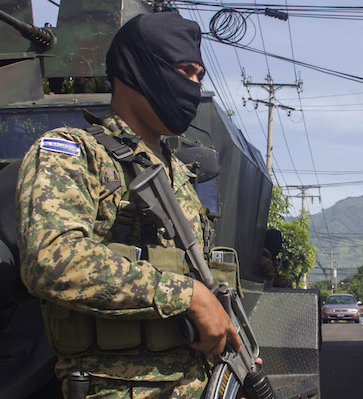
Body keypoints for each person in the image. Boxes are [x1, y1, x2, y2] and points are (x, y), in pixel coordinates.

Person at [16, 11, 245, 398]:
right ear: (137, 68)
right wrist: (187, 297)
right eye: (183, 70)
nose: (192, 86)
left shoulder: (177, 173)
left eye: (198, 76)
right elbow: (51, 260)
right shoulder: (76, 152)